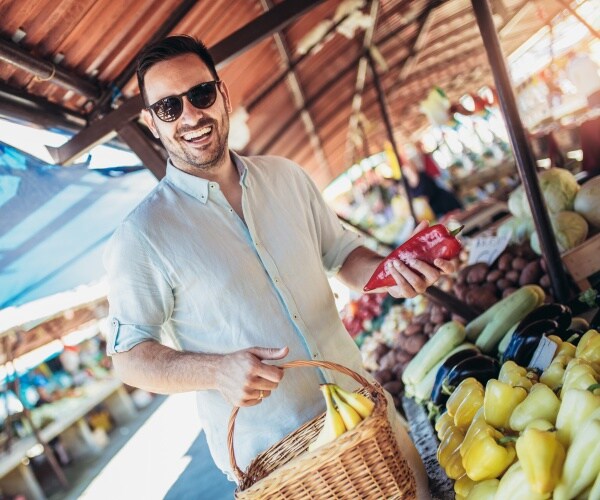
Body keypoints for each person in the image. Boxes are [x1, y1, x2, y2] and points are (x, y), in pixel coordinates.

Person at [104, 35, 457, 495]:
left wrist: (394, 273)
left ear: (223, 94)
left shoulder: (286, 177)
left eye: (201, 95)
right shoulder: (142, 235)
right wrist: (216, 371)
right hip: (285, 469)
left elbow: (342, 254)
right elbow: (129, 358)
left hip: (370, 419)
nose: (190, 116)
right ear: (152, 123)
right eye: (169, 108)